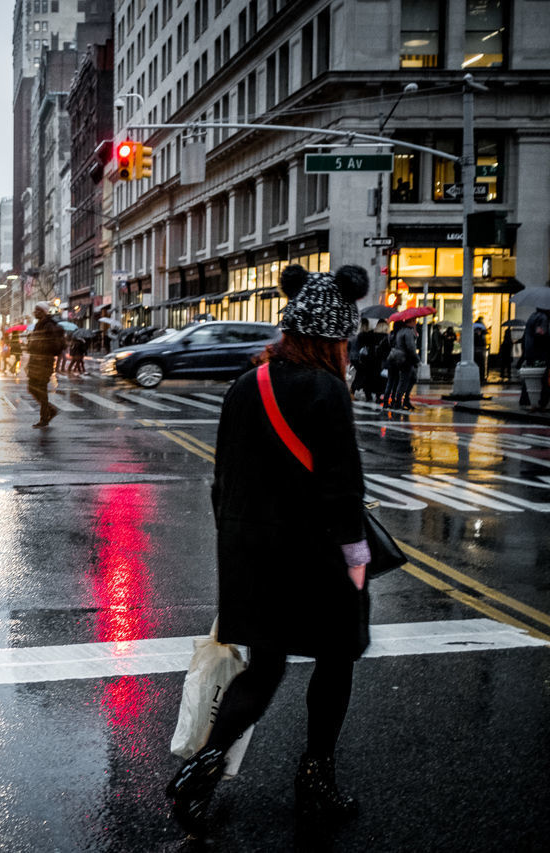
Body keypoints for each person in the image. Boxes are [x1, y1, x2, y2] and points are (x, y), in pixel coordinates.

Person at [166, 264, 371, 837]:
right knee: (335, 659)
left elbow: (221, 479)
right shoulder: (327, 390)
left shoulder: (246, 383)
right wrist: (357, 560)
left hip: (251, 551)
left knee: (264, 669)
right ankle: (316, 781)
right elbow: (341, 488)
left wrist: (234, 546)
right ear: (335, 335)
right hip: (317, 555)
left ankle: (200, 773)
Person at [26, 302, 65, 428]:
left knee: (40, 389)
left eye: (37, 310)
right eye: (35, 310)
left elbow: (53, 345)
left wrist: (40, 346)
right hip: (36, 362)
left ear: (43, 312)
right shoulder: (39, 325)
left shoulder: (48, 325)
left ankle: (45, 418)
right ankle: (49, 411)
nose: (35, 312)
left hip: (44, 363)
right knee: (33, 388)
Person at [383, 318, 420, 411]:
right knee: (405, 380)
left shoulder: (396, 332)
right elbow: (410, 347)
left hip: (394, 358)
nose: (415, 322)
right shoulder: (407, 332)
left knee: (393, 381)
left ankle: (390, 401)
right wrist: (417, 359)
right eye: (414, 321)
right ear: (410, 322)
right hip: (405, 359)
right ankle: (399, 402)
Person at [350, 318, 387, 403]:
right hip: (379, 362)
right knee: (380, 380)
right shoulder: (386, 337)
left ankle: (367, 395)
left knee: (367, 378)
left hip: (369, 360)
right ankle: (378, 396)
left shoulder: (370, 335)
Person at [522, 304, 550, 410]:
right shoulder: (543, 318)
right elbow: (540, 333)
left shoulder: (533, 316)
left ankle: (526, 399)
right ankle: (541, 402)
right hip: (538, 352)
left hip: (530, 350)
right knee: (545, 377)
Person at [473, 316, 488, 382]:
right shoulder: (476, 336)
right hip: (477, 350)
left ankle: (481, 376)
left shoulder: (481, 335)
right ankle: (478, 376)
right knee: (478, 363)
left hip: (480, 350)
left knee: (481, 364)